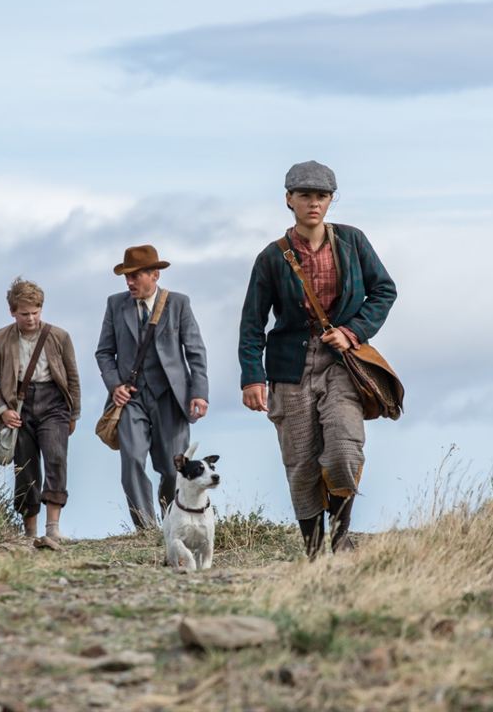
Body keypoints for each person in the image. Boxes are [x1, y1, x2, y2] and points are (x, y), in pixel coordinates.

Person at [238, 161, 397, 559]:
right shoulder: (272, 257)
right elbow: (252, 323)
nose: (314, 203)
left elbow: (384, 291)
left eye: (322, 195)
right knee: (301, 463)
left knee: (345, 448)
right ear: (288, 199)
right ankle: (313, 551)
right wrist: (252, 377)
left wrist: (352, 331)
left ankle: (341, 536)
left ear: (331, 200)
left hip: (342, 363)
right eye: (305, 195)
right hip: (290, 367)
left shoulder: (352, 241)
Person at [95, 244, 209, 529]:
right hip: (130, 399)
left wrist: (199, 393)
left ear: (155, 275)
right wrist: (114, 385)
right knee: (132, 460)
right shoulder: (114, 303)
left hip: (171, 398)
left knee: (173, 470)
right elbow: (104, 353)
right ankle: (146, 528)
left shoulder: (179, 303)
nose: (130, 282)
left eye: (135, 276)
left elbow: (195, 351)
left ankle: (170, 521)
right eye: (127, 277)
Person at [0, 277, 80, 544]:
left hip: (54, 402)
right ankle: (30, 532)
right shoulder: (1, 338)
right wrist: (2, 410)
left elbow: (73, 377)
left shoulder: (59, 336)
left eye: (36, 312)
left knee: (56, 457)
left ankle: (53, 528)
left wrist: (74, 414)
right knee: (25, 468)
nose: (31, 319)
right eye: (24, 314)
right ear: (13, 311)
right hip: (17, 408)